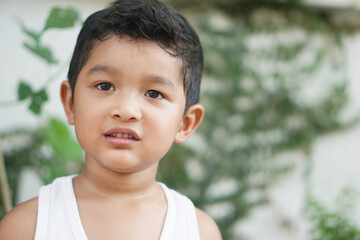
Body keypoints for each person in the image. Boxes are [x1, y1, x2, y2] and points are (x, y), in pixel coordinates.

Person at [0, 0, 222, 239]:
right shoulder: (27, 226)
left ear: (185, 123)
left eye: (154, 93)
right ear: (70, 102)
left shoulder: (198, 231)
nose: (126, 110)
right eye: (105, 86)